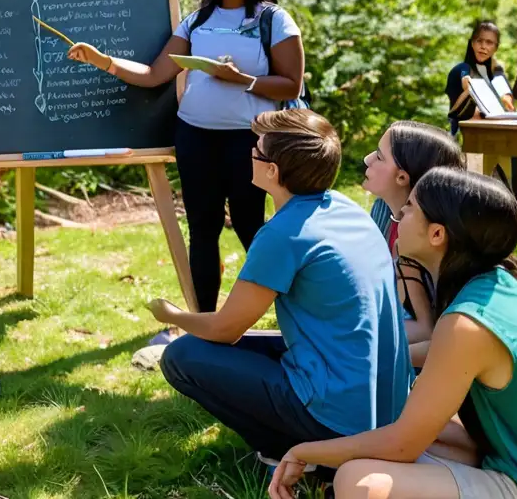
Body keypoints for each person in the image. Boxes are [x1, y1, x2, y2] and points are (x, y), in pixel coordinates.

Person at [150, 110, 412, 471]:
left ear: (272, 171)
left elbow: (226, 330)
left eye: (255, 149)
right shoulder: (344, 208)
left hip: (337, 418)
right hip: (384, 407)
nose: (248, 153)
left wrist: (172, 315)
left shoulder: (283, 234)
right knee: (256, 344)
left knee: (183, 356)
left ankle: (289, 451)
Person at [68, 0, 305, 316]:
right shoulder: (196, 22)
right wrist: (102, 60)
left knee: (252, 230)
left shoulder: (272, 20)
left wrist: (239, 79)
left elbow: (292, 81)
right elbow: (153, 74)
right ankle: (204, 321)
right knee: (202, 231)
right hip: (195, 138)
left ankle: (292, 315)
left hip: (247, 142)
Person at [269, 168, 517, 499]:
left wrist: (304, 451)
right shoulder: (496, 281)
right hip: (509, 453)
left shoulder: (466, 324)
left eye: (409, 207)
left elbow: (401, 447)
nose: (399, 216)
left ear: (437, 234)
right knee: (399, 427)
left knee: (359, 482)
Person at [363, 121, 465, 366]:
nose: (367, 160)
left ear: (402, 177)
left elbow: (430, 332)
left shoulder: (425, 239)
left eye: (379, 156)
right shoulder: (383, 210)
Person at [446, 20, 515, 135]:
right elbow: (465, 79)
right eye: (479, 41)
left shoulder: (496, 73)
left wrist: (507, 98)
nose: (483, 47)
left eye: (489, 43)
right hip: (465, 130)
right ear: (472, 43)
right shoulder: (463, 68)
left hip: (493, 127)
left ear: (496, 48)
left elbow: (505, 96)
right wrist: (467, 82)